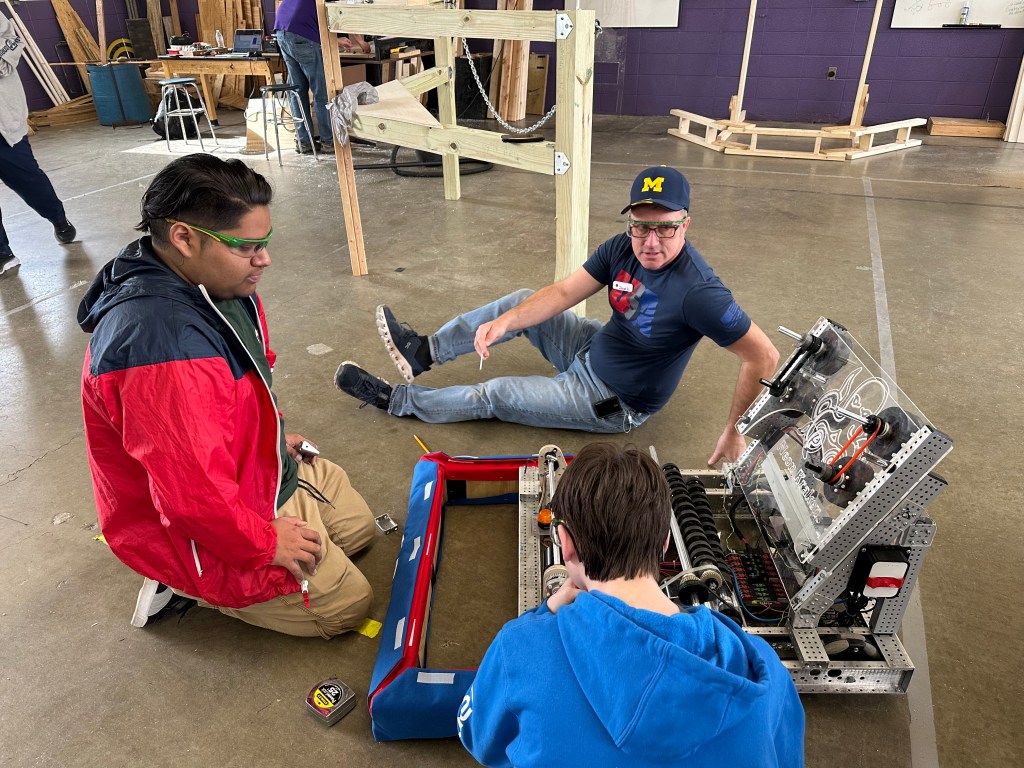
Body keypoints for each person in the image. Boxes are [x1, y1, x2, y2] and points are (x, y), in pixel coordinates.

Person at [78, 154, 374, 637]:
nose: (264, 259)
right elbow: (190, 494)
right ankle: (184, 581)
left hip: (241, 477)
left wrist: (271, 436)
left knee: (358, 530)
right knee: (347, 606)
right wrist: (266, 544)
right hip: (203, 518)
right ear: (184, 237)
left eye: (265, 243)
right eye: (247, 246)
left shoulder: (216, 282)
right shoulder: (160, 345)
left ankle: (276, 542)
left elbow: (248, 382)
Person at [335, 166, 780, 465]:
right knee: (522, 301)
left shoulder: (700, 293)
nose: (650, 241)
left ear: (685, 224)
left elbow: (762, 356)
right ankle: (423, 352)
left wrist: (736, 429)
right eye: (641, 225)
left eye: (665, 228)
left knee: (496, 394)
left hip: (613, 401)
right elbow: (566, 292)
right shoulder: (621, 246)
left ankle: (398, 401)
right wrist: (507, 323)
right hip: (593, 345)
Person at [456, 442, 805, 767]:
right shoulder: (764, 668)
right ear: (665, 541)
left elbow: (477, 736)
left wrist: (542, 615)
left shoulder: (520, 647)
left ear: (566, 544)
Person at [0, 15, 76, 278]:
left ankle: (57, 217)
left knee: (28, 181)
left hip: (3, 122)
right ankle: (3, 253)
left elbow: (12, 42)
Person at [274, 0, 336, 155]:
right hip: (303, 33)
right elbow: (343, 15)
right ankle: (328, 141)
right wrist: (360, 42)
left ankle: (304, 142)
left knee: (297, 91)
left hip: (282, 31)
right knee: (321, 92)